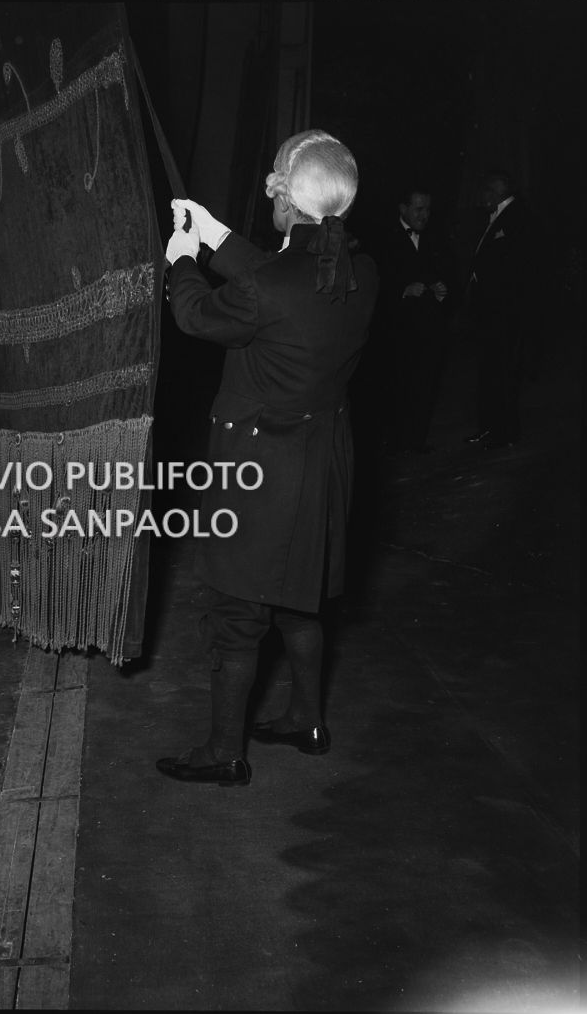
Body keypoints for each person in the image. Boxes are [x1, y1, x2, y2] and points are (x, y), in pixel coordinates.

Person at [155, 129, 378, 785]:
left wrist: (182, 259)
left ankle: (224, 752)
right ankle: (306, 719)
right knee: (299, 602)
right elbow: (279, 281)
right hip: (321, 466)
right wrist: (214, 233)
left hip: (261, 472)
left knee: (237, 612)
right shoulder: (359, 269)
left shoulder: (270, 287)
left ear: (284, 195)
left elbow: (198, 316)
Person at [371, 184, 453, 453]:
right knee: (395, 387)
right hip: (395, 331)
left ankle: (415, 441)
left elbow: (450, 273)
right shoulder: (383, 239)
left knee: (424, 386)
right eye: (418, 209)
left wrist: (442, 289)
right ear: (403, 209)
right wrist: (402, 290)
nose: (424, 215)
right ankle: (391, 442)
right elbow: (373, 282)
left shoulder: (437, 237)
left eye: (427, 209)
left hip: (429, 330)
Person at [464, 169, 530, 449]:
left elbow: (517, 266)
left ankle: (505, 432)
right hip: (490, 311)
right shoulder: (492, 216)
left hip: (503, 312)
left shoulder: (518, 216)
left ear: (501, 188)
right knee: (490, 369)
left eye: (489, 188)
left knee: (502, 370)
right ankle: (490, 429)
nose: (484, 194)